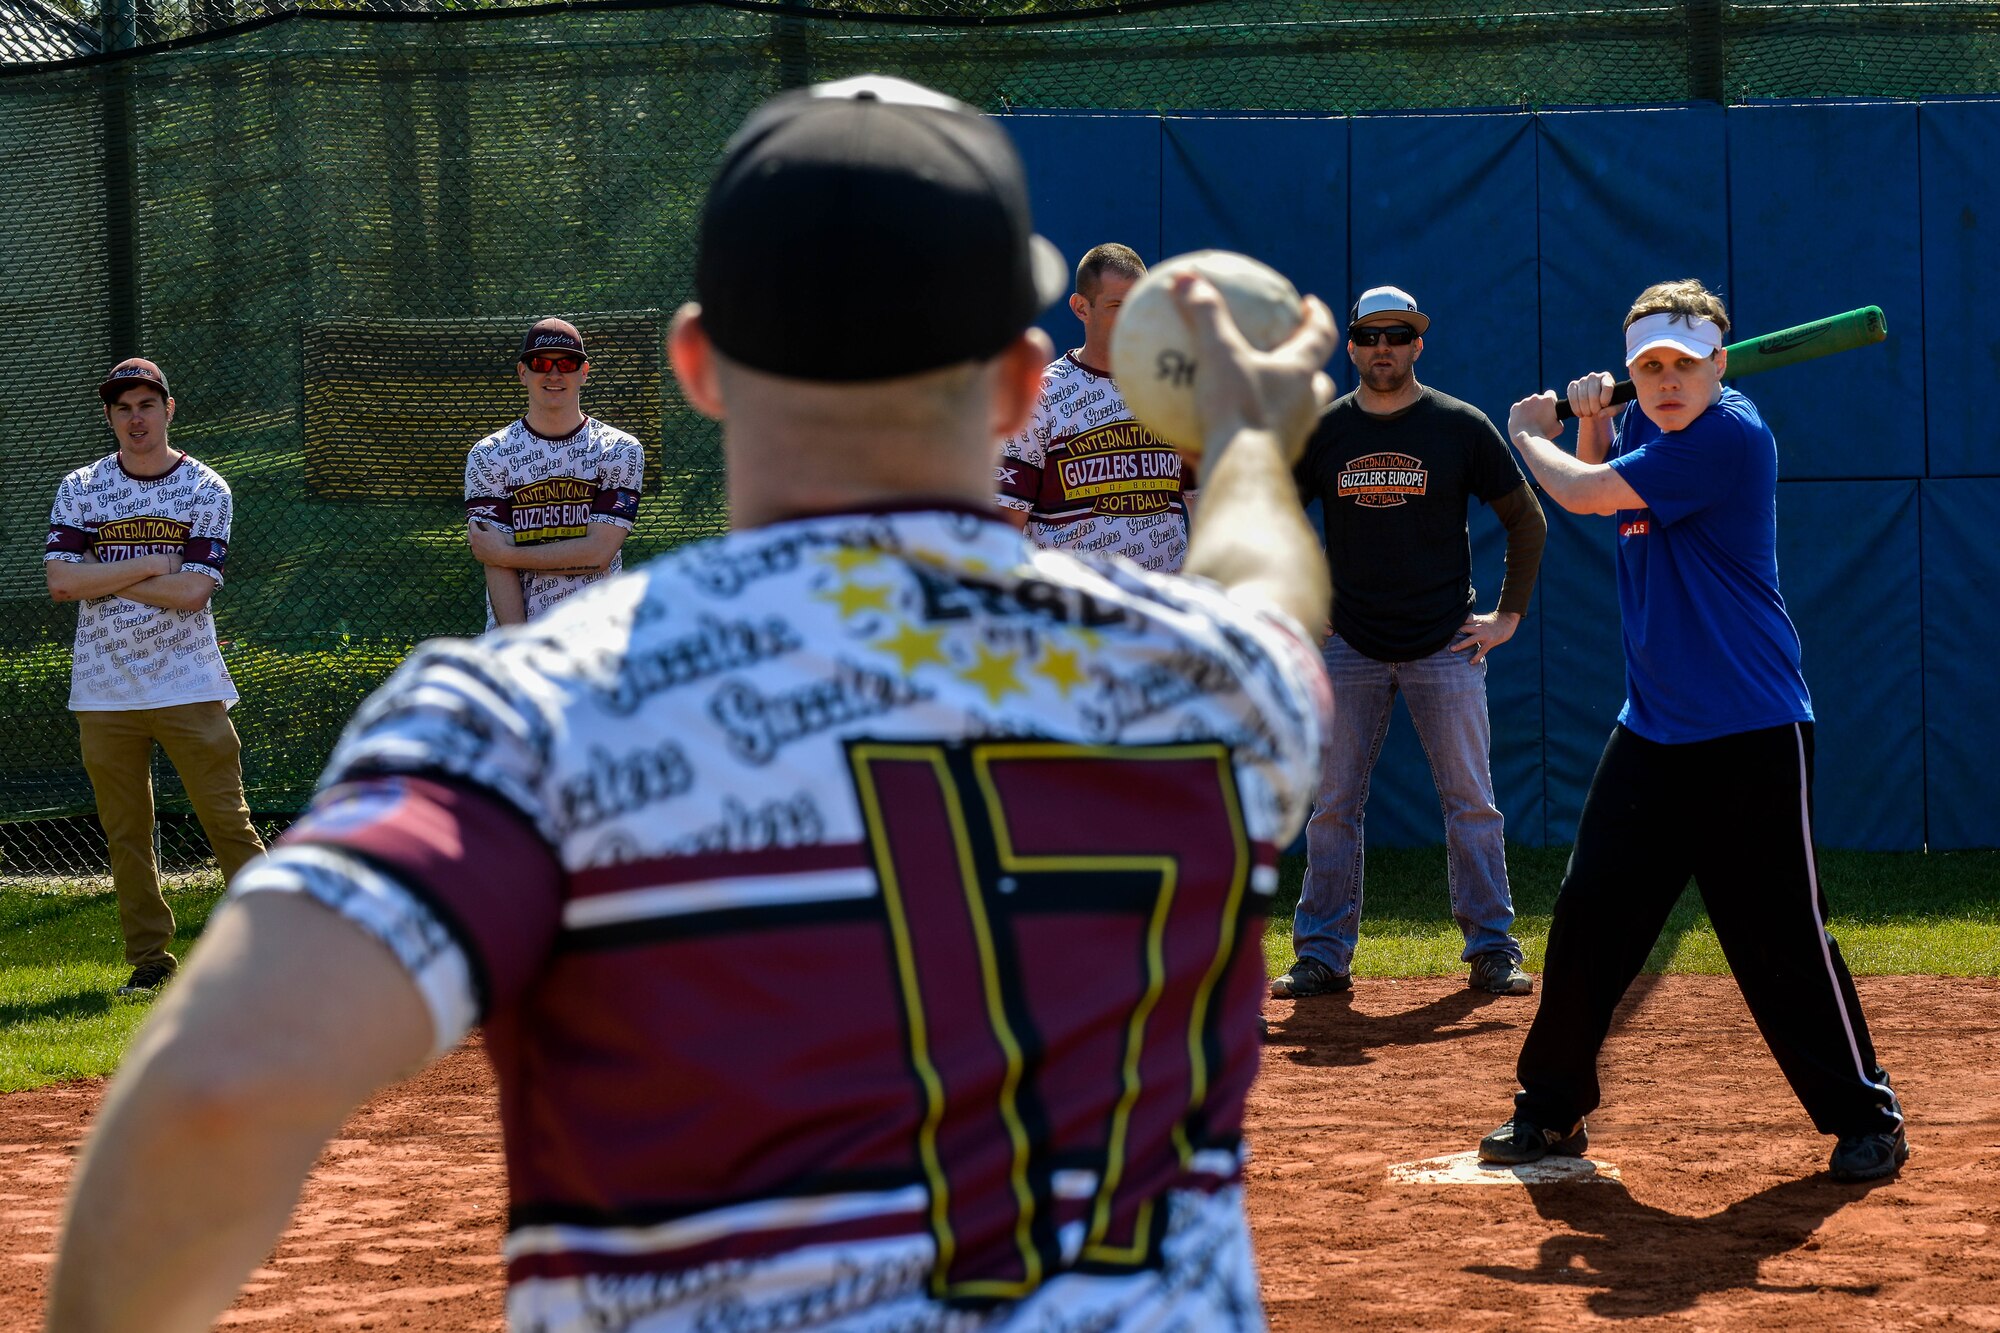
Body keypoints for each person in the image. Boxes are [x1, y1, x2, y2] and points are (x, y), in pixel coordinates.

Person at [49, 76, 1345, 1332]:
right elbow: (1269, 589)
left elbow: (215, 1092)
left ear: (698, 364)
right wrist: (1240, 439)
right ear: (1018, 380)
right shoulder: (1211, 678)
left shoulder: (526, 717)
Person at [1479, 278, 1907, 1182]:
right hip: (1655, 730)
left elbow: (1593, 497)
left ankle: (1867, 1115)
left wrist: (1528, 436)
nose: (1667, 382)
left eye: (1684, 364)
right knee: (1592, 916)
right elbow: (1611, 490)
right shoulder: (1656, 426)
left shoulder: (1729, 436)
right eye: (1650, 367)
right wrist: (1597, 418)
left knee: (1781, 934)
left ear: (1721, 362)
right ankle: (1551, 1110)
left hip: (1752, 729)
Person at [1271, 286, 1547, 1002]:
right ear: (1353, 346)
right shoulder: (1325, 430)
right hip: (1350, 644)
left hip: (1443, 643)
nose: (1383, 348)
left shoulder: (1458, 425)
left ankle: (1492, 948)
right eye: (1369, 336)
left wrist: (1508, 615)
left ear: (1418, 343)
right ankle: (1323, 955)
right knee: (1333, 804)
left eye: (1397, 335)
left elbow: (1528, 520)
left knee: (1472, 803)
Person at [43, 358, 267, 998]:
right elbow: (62, 582)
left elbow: (194, 592)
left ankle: (279, 946)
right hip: (102, 688)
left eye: (146, 404)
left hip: (189, 684)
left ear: (169, 409)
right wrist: (150, 562)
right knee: (125, 833)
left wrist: (105, 570)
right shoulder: (83, 485)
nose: (135, 418)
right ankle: (149, 960)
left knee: (227, 821)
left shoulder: (205, 488)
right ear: (110, 418)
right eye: (122, 408)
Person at [995, 242, 1198, 571]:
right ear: (1081, 308)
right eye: (1117, 305)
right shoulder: (1042, 396)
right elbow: (1005, 524)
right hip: (1071, 612)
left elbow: (1206, 507)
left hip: (1162, 611)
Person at [464, 317, 646, 627]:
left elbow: (597, 554)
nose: (554, 373)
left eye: (567, 363)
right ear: (523, 373)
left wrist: (504, 554)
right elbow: (494, 566)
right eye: (540, 362)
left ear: (583, 373)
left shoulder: (619, 450)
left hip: (598, 639)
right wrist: (518, 648)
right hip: (515, 636)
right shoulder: (488, 455)